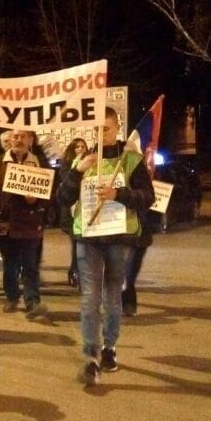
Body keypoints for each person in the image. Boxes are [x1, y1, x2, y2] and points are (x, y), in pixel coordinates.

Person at [57, 107, 155, 385]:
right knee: (89, 298)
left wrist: (118, 194)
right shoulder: (83, 160)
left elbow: (147, 196)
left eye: (107, 129)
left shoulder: (131, 159)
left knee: (112, 296)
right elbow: (63, 199)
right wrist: (76, 172)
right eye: (97, 129)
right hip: (88, 237)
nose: (102, 134)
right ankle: (91, 356)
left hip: (119, 238)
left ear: (117, 128)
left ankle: (110, 347)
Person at [0, 129, 49, 319]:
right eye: (15, 137)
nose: (19, 140)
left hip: (30, 223)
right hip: (7, 225)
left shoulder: (39, 162)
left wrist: (36, 201)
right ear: (9, 141)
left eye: (23, 137)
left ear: (30, 140)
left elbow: (49, 191)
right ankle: (12, 296)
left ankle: (32, 301)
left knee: (30, 265)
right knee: (10, 265)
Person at [59, 138, 89, 287]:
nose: (80, 149)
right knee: (76, 242)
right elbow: (66, 182)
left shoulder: (91, 162)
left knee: (81, 244)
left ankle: (78, 272)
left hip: (85, 208)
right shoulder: (66, 165)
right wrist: (76, 167)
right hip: (71, 212)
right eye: (77, 147)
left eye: (83, 146)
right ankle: (75, 272)